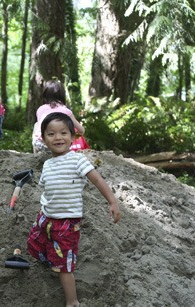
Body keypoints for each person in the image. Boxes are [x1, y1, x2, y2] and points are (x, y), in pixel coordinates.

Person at [27, 112, 120, 307]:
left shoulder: (77, 160)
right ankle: (51, 258)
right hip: (45, 217)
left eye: (63, 133)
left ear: (73, 136)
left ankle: (72, 301)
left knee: (65, 266)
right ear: (43, 138)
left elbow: (97, 180)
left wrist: (112, 201)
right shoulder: (47, 164)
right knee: (34, 244)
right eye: (51, 134)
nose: (58, 137)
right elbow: (47, 188)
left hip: (67, 223)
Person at [32, 80, 85, 153]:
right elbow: (81, 131)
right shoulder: (66, 111)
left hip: (40, 144)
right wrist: (72, 136)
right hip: (58, 146)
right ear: (62, 95)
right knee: (68, 128)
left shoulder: (40, 109)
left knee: (36, 125)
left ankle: (35, 154)